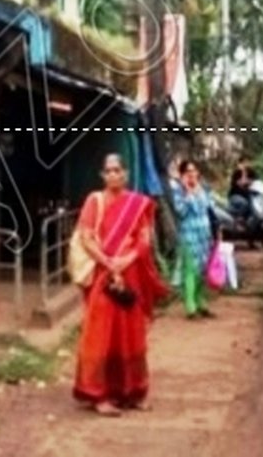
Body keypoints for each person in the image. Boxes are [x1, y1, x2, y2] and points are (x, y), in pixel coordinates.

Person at [73, 153, 169, 417]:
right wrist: (108, 262)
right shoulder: (94, 201)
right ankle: (99, 394)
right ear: (102, 175)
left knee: (131, 334)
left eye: (118, 170)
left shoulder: (136, 204)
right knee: (100, 334)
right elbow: (86, 237)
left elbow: (144, 239)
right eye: (109, 171)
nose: (113, 175)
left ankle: (133, 391)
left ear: (126, 174)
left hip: (130, 275)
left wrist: (125, 260)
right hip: (104, 275)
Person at [172, 159, 218, 320]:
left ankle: (201, 303)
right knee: (191, 270)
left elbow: (207, 207)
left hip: (204, 235)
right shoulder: (178, 191)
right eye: (188, 171)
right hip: (189, 235)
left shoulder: (203, 188)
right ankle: (190, 307)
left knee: (202, 270)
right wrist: (188, 192)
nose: (192, 174)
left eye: (194, 171)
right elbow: (181, 211)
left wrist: (196, 191)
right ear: (182, 175)